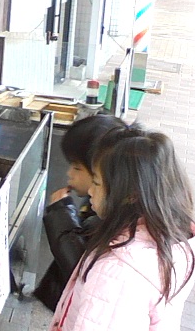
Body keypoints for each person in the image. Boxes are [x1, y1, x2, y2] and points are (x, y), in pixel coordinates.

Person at [50, 125, 195, 330]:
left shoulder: (117, 272)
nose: (90, 190)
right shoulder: (174, 238)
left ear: (130, 194)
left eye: (97, 183)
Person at [34, 114, 126, 311]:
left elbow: (79, 270)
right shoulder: (103, 202)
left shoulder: (109, 217)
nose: (69, 173)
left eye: (77, 167)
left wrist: (61, 213)